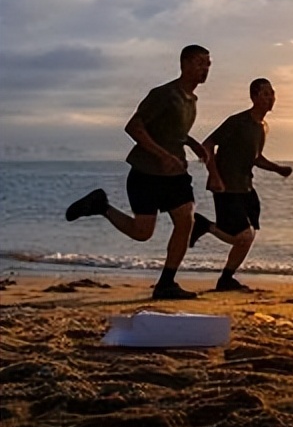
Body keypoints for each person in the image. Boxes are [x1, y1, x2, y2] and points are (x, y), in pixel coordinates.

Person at [65, 45, 214, 300]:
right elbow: (133, 127)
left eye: (208, 63)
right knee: (142, 233)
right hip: (146, 173)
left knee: (186, 220)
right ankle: (101, 206)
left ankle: (166, 283)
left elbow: (170, 130)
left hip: (175, 176)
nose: (206, 68)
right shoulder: (163, 94)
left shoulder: (192, 99)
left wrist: (190, 143)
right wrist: (163, 155)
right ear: (185, 64)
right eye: (201, 63)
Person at [190, 78, 292, 292]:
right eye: (265, 94)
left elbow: (256, 157)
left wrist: (278, 169)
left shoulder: (263, 127)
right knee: (244, 236)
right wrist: (214, 176)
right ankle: (208, 234)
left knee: (247, 236)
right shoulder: (237, 122)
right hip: (226, 187)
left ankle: (225, 275)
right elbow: (208, 145)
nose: (270, 98)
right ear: (254, 97)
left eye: (272, 93)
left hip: (246, 187)